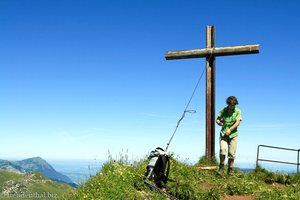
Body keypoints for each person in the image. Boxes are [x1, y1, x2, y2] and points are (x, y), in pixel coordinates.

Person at [216, 96, 242, 175]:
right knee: (222, 150)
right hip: (224, 134)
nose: (232, 106)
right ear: (228, 104)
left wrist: (230, 129)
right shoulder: (223, 110)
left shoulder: (238, 111)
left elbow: (238, 122)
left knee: (231, 154)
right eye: (231, 105)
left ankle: (230, 170)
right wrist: (219, 122)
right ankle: (221, 168)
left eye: (234, 105)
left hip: (233, 134)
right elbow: (217, 119)